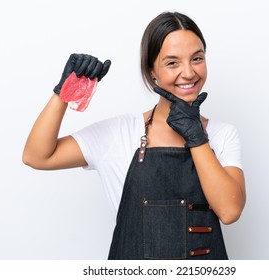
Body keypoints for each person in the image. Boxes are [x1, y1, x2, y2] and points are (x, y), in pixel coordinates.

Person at [23, 11, 246, 260]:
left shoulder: (222, 134)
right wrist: (64, 93)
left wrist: (196, 136)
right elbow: (36, 156)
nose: (189, 72)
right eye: (172, 62)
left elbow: (229, 211)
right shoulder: (120, 133)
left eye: (197, 58)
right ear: (152, 71)